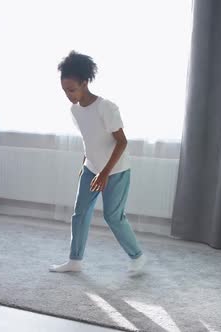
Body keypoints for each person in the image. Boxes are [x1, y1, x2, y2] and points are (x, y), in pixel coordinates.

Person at [49, 51, 146, 276]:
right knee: (80, 213)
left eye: (71, 89)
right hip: (91, 169)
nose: (68, 95)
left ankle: (138, 257)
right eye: (64, 90)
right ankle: (75, 261)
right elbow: (89, 139)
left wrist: (104, 173)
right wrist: (85, 164)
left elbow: (121, 142)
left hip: (116, 170)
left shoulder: (106, 107)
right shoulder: (74, 110)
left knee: (113, 217)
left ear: (85, 83)